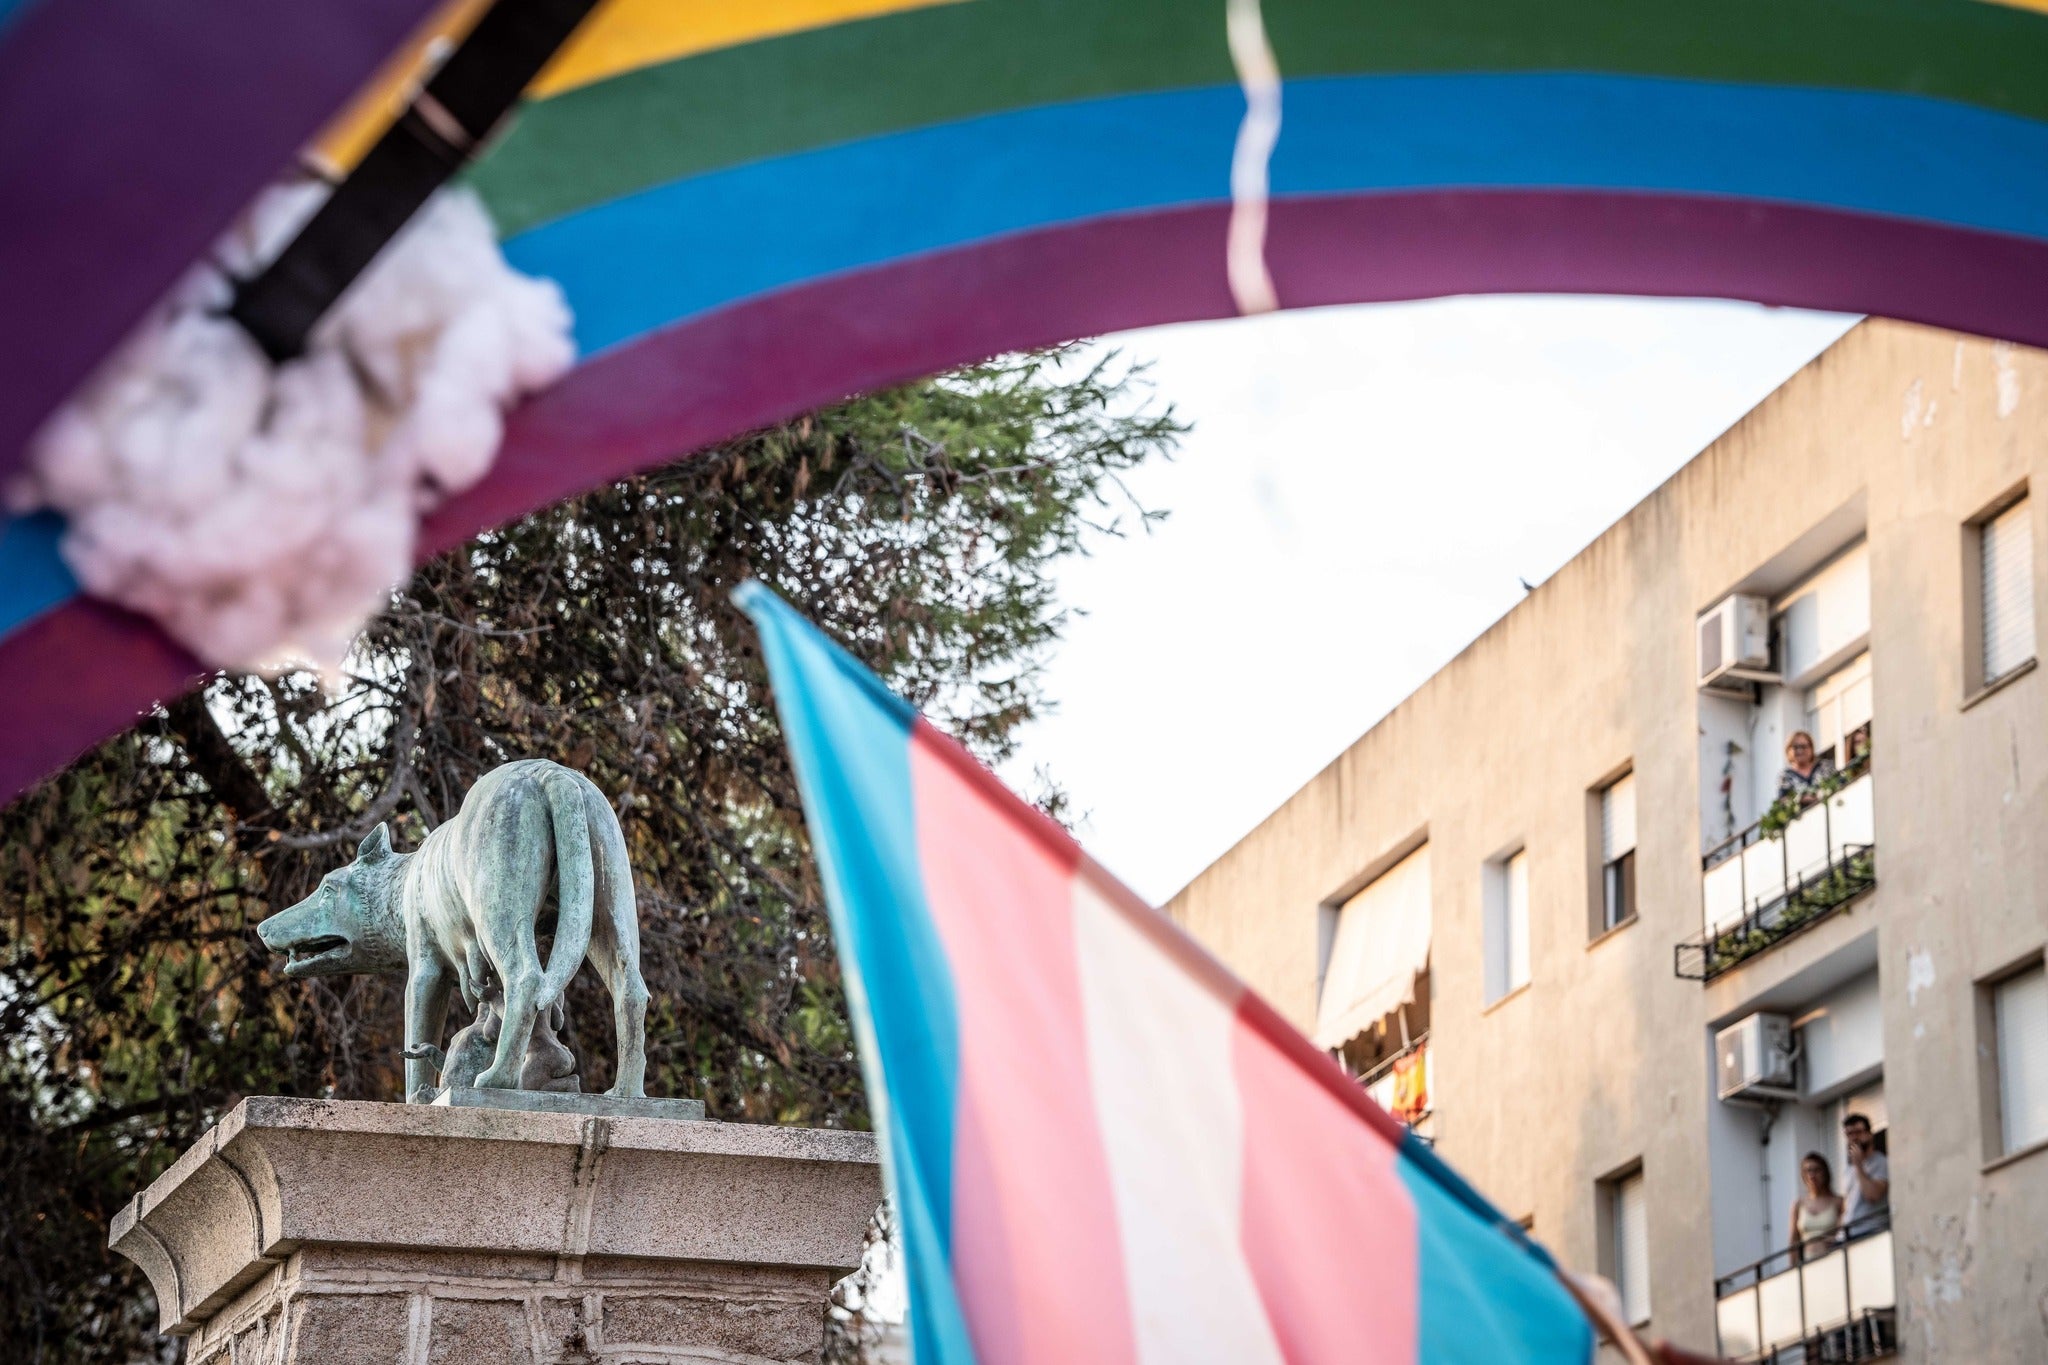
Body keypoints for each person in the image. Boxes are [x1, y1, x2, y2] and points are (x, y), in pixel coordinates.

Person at [1788, 1151, 1844, 1257]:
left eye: (1817, 1170)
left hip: (1832, 1257)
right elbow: (1793, 1241)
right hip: (1806, 1262)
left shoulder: (1838, 1201)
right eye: (1808, 1171)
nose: (1812, 1175)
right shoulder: (1798, 1204)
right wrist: (1793, 1269)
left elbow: (1844, 1231)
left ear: (1825, 1172)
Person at [1842, 1112, 1890, 1231]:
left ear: (1869, 1135)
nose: (1853, 1138)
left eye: (1858, 1132)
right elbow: (1847, 1206)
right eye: (1849, 1134)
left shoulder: (1881, 1162)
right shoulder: (1848, 1169)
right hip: (1848, 1234)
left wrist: (1858, 1165)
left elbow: (1873, 1195)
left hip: (1870, 1231)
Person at [1776, 730, 1837, 804]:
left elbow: (1838, 784)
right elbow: (1782, 801)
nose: (1800, 750)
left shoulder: (1825, 766)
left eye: (1804, 746)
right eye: (1795, 747)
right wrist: (1800, 799)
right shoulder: (1785, 776)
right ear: (1788, 750)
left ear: (1811, 748)